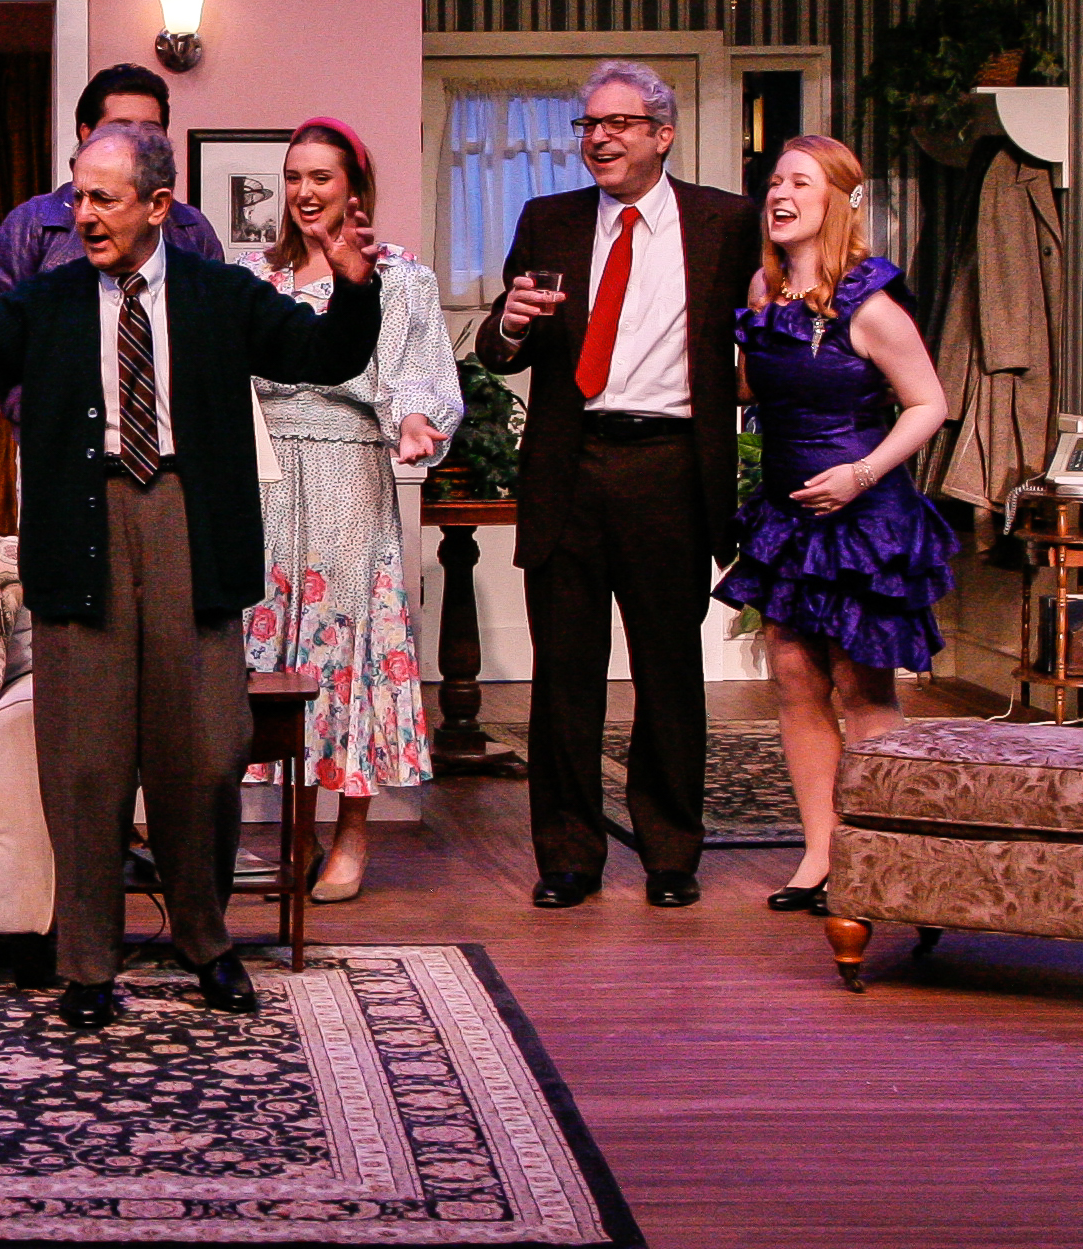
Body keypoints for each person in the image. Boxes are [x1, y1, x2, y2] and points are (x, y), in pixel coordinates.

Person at [0, 121, 383, 1027]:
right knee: (85, 761)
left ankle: (205, 942)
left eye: (103, 198)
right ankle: (88, 962)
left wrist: (354, 287)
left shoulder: (221, 294)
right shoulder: (47, 300)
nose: (84, 214)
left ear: (157, 204)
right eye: (78, 195)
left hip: (192, 522)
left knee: (206, 752)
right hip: (83, 527)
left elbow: (325, 356)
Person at [476, 61, 761, 912]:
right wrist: (507, 324)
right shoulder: (549, 219)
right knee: (565, 671)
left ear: (662, 135)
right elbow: (500, 351)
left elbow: (766, 321)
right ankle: (568, 855)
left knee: (668, 670)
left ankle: (671, 852)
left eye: (619, 124)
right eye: (589, 125)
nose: (598, 138)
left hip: (671, 465)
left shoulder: (725, 222)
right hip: (571, 463)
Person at [714, 137, 955, 916]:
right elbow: (752, 387)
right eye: (775, 182)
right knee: (793, 676)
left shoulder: (871, 302)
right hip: (790, 515)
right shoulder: (765, 290)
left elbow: (929, 403)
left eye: (801, 182)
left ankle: (879, 856)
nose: (780, 194)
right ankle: (820, 853)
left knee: (861, 680)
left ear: (838, 200)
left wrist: (863, 473)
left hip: (862, 515)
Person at [236, 118, 463, 904]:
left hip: (348, 475)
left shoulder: (401, 278)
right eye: (294, 176)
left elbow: (416, 375)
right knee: (274, 653)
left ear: (355, 187)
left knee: (346, 648)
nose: (304, 191)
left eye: (321, 177)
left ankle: (352, 832)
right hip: (264, 477)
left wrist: (415, 420)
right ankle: (294, 830)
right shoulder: (255, 278)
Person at [0, 63, 221, 324]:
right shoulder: (33, 223)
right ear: (86, 134)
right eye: (121, 127)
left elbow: (221, 323)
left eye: (150, 130)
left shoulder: (192, 228)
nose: (138, 141)